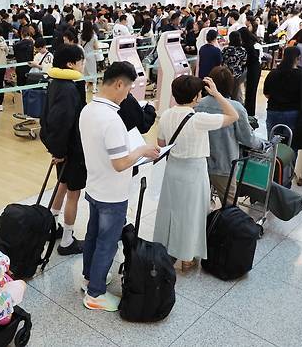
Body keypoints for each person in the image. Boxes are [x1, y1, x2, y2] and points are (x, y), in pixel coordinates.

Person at [78, 61, 160, 311]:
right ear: (118, 84)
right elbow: (121, 163)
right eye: (129, 89)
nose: (129, 95)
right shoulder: (111, 120)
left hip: (94, 186)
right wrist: (143, 150)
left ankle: (90, 277)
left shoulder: (88, 109)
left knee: (93, 236)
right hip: (112, 193)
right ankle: (95, 294)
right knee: (107, 242)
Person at [153, 75, 239, 271]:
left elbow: (161, 144)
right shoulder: (198, 119)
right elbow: (233, 116)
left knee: (170, 210)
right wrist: (216, 93)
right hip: (194, 171)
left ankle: (167, 249)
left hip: (173, 169)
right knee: (191, 214)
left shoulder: (165, 115)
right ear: (196, 96)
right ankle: (186, 258)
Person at [39, 45, 87, 256]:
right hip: (71, 150)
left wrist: (55, 150)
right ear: (70, 64)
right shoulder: (68, 89)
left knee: (62, 185)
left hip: (63, 149)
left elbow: (47, 119)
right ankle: (67, 240)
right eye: (81, 61)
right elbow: (61, 123)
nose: (83, 64)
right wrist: (58, 151)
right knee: (73, 194)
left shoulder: (57, 83)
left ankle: (52, 226)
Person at [195, 66, 263, 203]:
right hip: (224, 164)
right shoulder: (236, 108)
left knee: (200, 203)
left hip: (200, 162)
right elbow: (247, 138)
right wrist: (262, 144)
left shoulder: (198, 104)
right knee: (229, 206)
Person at [262, 47, 302, 141]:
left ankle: (273, 156)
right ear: (298, 58)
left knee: (273, 143)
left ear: (283, 56)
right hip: (295, 113)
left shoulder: (273, 73)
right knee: (291, 144)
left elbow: (267, 94)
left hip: (273, 111)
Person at [239, 27, 261, 117]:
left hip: (253, 69)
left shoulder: (249, 46)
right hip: (253, 68)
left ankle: (250, 113)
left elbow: (248, 60)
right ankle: (249, 112)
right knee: (250, 91)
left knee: (251, 91)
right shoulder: (251, 44)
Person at [221, 30, 247, 102]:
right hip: (237, 75)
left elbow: (222, 61)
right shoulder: (242, 50)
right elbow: (244, 62)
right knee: (235, 94)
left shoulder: (225, 50)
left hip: (226, 74)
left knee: (226, 93)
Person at [80, 20, 99, 92]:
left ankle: (85, 87)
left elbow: (80, 45)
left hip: (84, 55)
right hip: (92, 55)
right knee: (93, 71)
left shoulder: (81, 36)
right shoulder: (93, 36)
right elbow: (96, 47)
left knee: (85, 72)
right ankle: (94, 88)